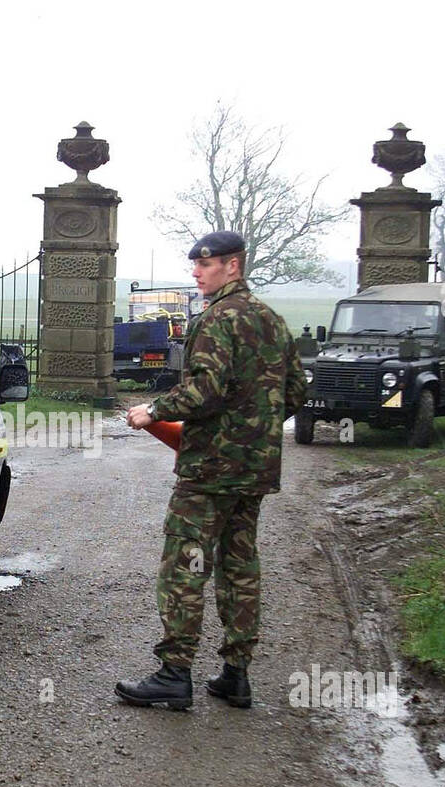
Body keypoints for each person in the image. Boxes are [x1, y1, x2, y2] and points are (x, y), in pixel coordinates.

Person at [116, 230, 306, 710]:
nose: (197, 273)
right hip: (255, 469)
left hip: (208, 471)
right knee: (240, 564)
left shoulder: (216, 320)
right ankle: (236, 674)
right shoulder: (273, 322)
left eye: (206, 265)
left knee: (185, 564)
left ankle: (175, 673)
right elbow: (297, 392)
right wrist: (256, 429)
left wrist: (152, 411)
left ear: (233, 267)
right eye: (195, 265)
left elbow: (204, 391)